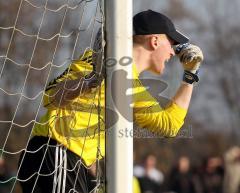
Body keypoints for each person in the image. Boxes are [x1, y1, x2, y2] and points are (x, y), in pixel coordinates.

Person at [18, 9, 203, 193]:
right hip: (54, 154)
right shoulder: (97, 60)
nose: (173, 52)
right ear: (154, 41)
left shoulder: (136, 88)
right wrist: (91, 80)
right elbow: (50, 97)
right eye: (172, 43)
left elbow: (169, 125)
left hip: (71, 164)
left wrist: (190, 76)